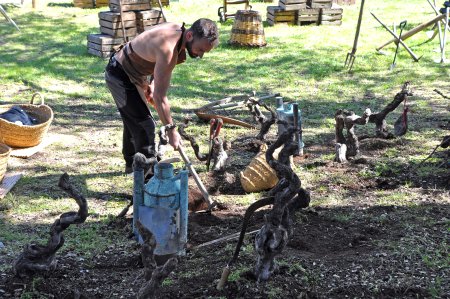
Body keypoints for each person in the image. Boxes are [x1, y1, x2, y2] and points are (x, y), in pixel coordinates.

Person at [105, 18, 219, 174]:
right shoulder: (169, 49)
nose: (200, 55)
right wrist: (172, 131)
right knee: (145, 124)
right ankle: (147, 175)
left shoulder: (178, 28)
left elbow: (152, 54)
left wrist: (152, 82)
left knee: (134, 118)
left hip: (132, 72)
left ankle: (132, 165)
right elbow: (160, 99)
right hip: (119, 74)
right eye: (200, 50)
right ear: (190, 36)